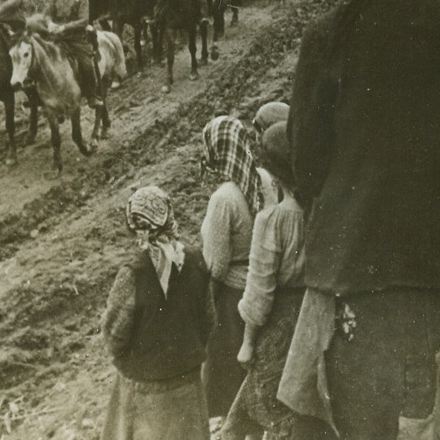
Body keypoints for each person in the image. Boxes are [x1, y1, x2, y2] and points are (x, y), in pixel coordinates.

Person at [285, 0, 440, 440]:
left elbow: (305, 155)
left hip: (351, 262)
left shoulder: (329, 33)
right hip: (437, 262)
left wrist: (337, 206)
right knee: (427, 415)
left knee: (358, 418)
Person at [101, 186, 212, 440]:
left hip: (145, 394)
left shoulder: (133, 274)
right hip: (187, 389)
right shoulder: (194, 261)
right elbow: (208, 321)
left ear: (135, 226)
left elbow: (114, 338)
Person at [223, 122, 306, 440]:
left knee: (267, 413)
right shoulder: (315, 213)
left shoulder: (271, 220)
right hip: (308, 322)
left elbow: (259, 295)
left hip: (276, 328)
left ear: (272, 175)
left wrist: (246, 344)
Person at [199, 115, 259, 421]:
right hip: (260, 286)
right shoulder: (262, 179)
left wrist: (204, 306)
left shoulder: (223, 199)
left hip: (232, 298)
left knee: (224, 377)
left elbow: (217, 266)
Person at [44, 0, 99, 108]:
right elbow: (47, 13)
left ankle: (92, 96)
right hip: (57, 37)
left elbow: (84, 21)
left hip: (76, 38)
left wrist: (65, 27)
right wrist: (49, 23)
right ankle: (42, 96)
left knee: (86, 65)